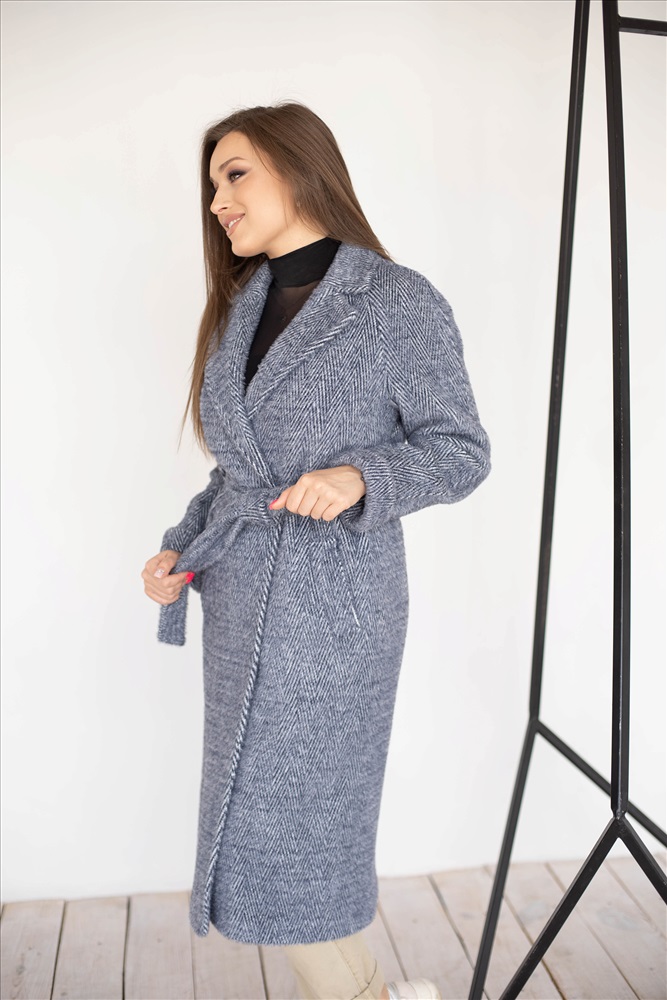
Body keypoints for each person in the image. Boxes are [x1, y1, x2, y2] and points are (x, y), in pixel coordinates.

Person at [142, 100, 490, 1000]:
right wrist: (179, 551)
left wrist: (360, 475)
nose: (217, 201)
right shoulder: (239, 308)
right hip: (240, 604)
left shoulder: (395, 302)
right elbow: (237, 474)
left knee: (298, 847)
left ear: (299, 168)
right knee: (256, 837)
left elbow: (460, 451)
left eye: (235, 174)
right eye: (211, 183)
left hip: (335, 616)